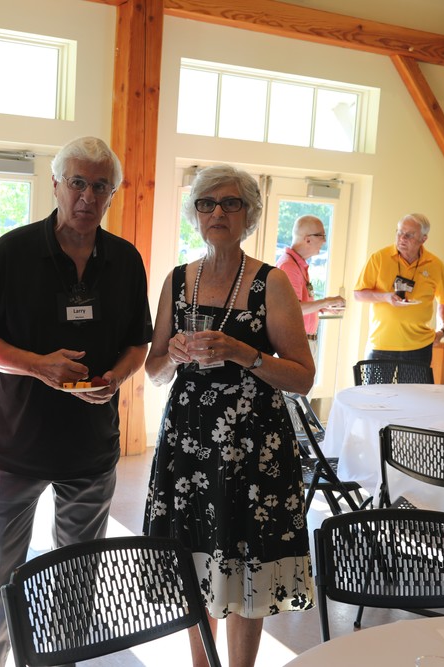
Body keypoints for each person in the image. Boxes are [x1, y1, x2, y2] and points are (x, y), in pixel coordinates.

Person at [0, 136, 153, 667]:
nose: (87, 196)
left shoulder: (125, 260)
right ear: (55, 185)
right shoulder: (12, 252)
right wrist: (37, 365)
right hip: (16, 443)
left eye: (100, 186)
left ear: (112, 194)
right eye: (77, 183)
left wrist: (116, 376)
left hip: (91, 448)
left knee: (77, 570)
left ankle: (61, 659)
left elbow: (138, 343)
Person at [144, 164, 315, 667]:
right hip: (189, 444)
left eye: (230, 203)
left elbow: (303, 377)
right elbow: (153, 370)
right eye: (206, 203)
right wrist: (173, 355)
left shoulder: (271, 283)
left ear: (249, 214)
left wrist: (245, 353)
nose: (217, 212)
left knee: (246, 564)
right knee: (195, 559)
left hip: (253, 446)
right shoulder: (178, 281)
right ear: (195, 213)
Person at [353, 213, 444, 365]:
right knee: (374, 383)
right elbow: (358, 294)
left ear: (423, 239)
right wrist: (385, 297)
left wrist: (442, 330)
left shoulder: (436, 265)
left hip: (419, 347)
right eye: (399, 232)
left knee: (416, 383)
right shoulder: (379, 258)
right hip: (381, 344)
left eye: (409, 235)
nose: (402, 238)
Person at [275, 215, 346, 358]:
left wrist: (321, 307)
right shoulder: (289, 266)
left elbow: (297, 305)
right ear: (308, 239)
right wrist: (326, 301)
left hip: (303, 341)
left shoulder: (297, 264)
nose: (324, 241)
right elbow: (293, 309)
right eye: (322, 235)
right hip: (296, 342)